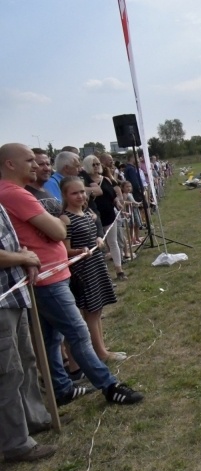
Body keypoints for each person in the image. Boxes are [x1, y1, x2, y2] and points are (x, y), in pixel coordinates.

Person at [0, 143, 143, 406]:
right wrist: (57, 223)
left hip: (49, 273)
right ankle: (110, 386)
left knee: (51, 338)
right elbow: (58, 232)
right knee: (78, 332)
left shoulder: (15, 192)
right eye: (30, 160)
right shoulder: (16, 194)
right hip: (47, 278)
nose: (36, 164)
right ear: (10, 164)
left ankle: (62, 388)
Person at [0, 204, 58, 463]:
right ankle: (16, 443)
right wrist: (24, 259)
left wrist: (23, 256)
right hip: (2, 303)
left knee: (26, 360)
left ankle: (36, 418)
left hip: (13, 294)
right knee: (8, 373)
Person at [60, 177, 125, 364]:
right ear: (65, 195)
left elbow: (93, 234)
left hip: (96, 265)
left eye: (82, 191)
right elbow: (65, 250)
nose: (80, 196)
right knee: (91, 311)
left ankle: (101, 348)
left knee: (98, 310)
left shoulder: (87, 213)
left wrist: (98, 239)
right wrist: (80, 251)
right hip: (83, 270)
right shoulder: (65, 219)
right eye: (74, 193)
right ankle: (100, 353)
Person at [84, 155, 126, 280]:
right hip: (94, 217)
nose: (97, 166)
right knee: (99, 246)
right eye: (93, 164)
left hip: (109, 215)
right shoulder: (84, 182)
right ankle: (104, 275)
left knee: (113, 242)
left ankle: (119, 270)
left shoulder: (106, 179)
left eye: (98, 164)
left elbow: (112, 195)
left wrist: (117, 202)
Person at [25, 149, 61, 217]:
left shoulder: (47, 191)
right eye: (41, 164)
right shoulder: (25, 194)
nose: (46, 168)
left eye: (48, 164)